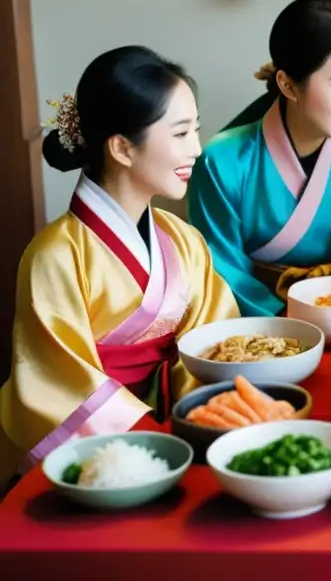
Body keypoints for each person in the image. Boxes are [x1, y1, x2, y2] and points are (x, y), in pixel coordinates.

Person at [0, 47, 240, 487]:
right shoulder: (54, 256)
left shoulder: (182, 239)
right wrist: (154, 442)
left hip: (174, 434)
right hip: (85, 457)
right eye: (181, 134)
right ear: (122, 148)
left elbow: (210, 344)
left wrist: (199, 419)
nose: (197, 149)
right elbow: (57, 383)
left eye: (196, 131)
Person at [187, 0, 331, 317]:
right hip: (257, 323)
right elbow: (220, 266)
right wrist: (282, 322)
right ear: (288, 86)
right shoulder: (221, 162)